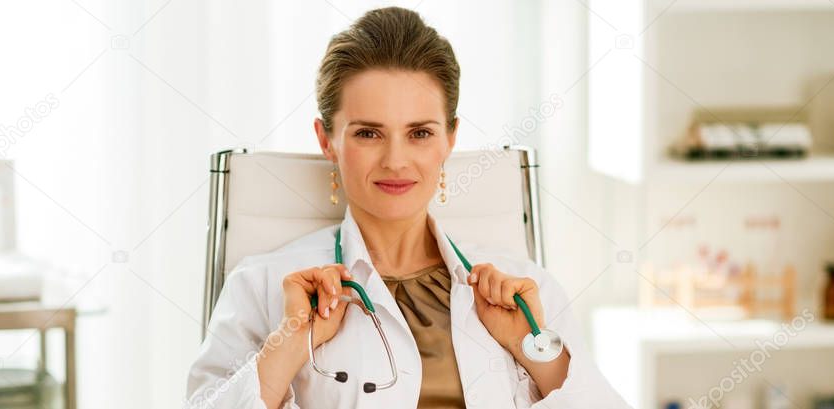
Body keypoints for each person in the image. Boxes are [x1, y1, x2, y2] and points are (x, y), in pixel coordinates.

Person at [185, 6, 624, 409]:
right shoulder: (263, 286)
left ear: (450, 139)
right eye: (368, 133)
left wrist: (532, 348)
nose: (396, 160)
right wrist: (290, 343)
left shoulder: (525, 292)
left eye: (419, 133)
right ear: (327, 141)